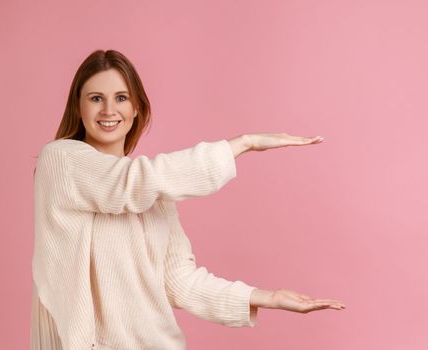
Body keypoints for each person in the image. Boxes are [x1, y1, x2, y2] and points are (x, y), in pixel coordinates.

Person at [30, 49, 346, 350]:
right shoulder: (60, 160)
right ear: (79, 107)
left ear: (137, 107)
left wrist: (268, 297)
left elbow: (180, 281)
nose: (109, 110)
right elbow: (128, 184)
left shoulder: (157, 192)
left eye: (121, 98)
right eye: (96, 98)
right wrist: (242, 144)